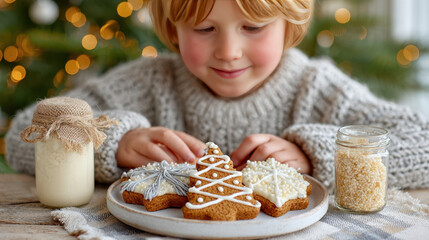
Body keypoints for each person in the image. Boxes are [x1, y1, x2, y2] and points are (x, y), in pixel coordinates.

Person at [5, 0, 429, 192]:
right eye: (204, 29)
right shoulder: (151, 82)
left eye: (253, 28)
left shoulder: (317, 89)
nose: (228, 51)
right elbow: (23, 132)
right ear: (174, 30)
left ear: (289, 25)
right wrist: (113, 143)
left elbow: (423, 142)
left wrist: (314, 155)